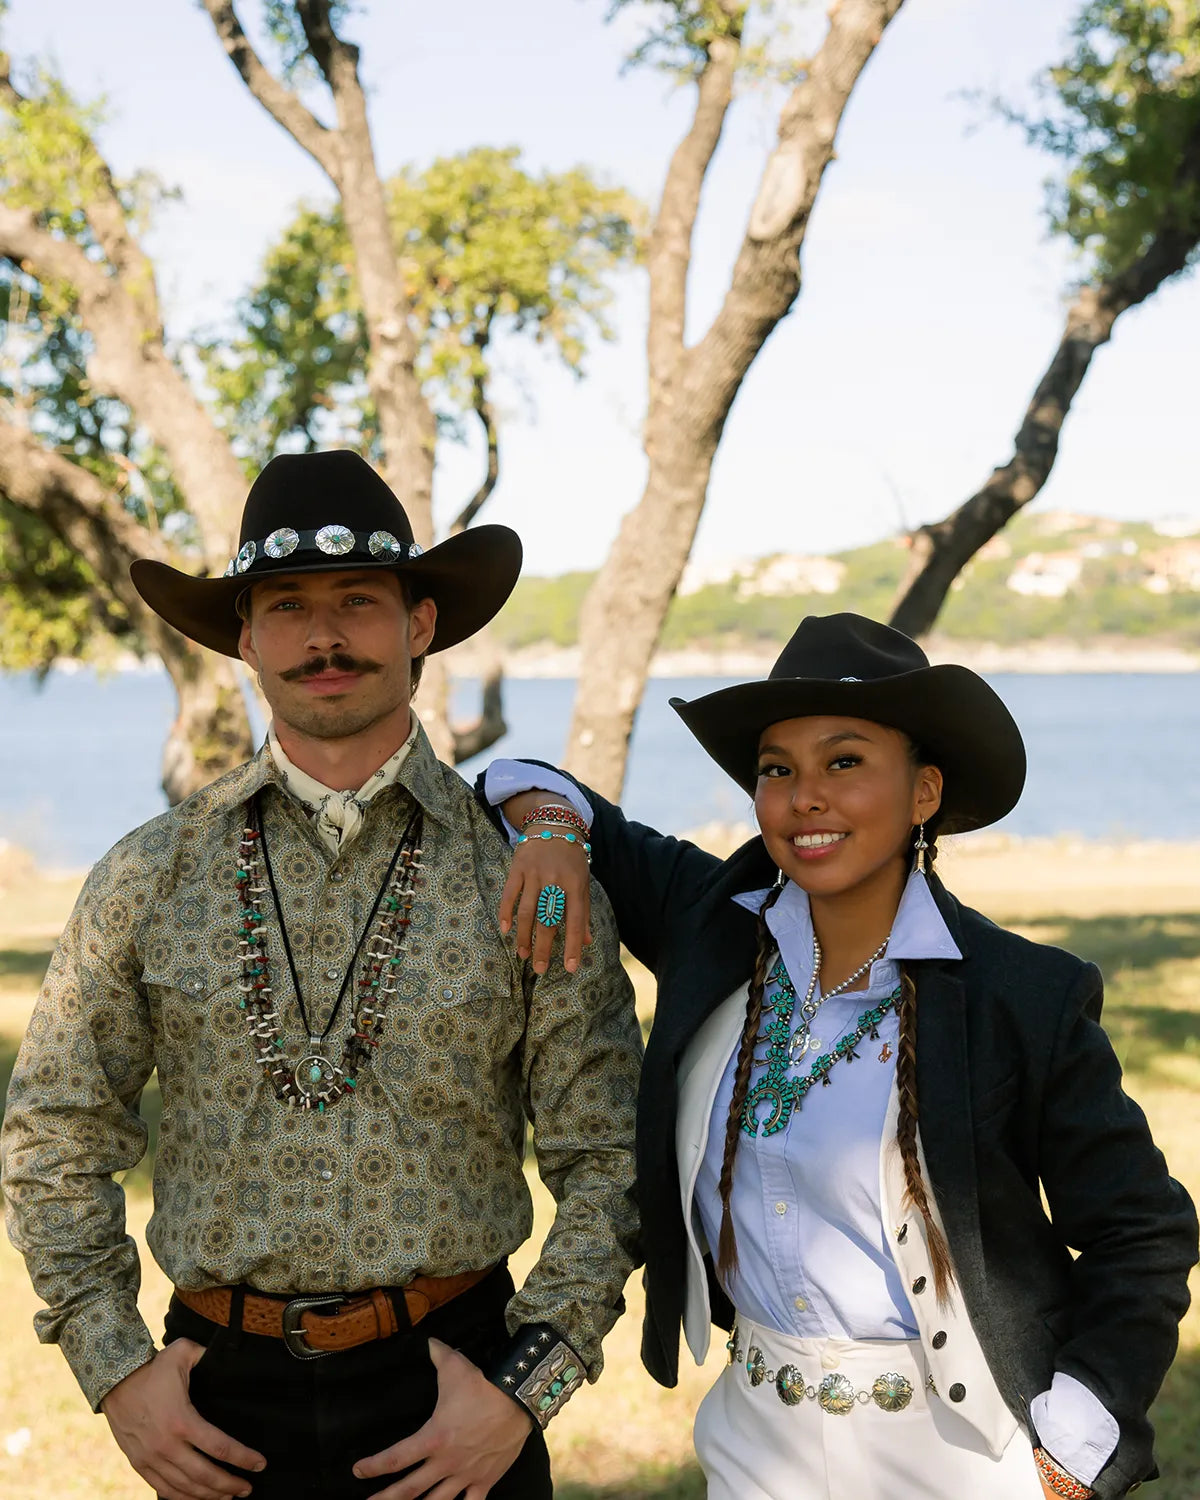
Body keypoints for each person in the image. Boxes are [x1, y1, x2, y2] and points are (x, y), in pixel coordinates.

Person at [1, 450, 642, 1500]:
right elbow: (56, 1134)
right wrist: (116, 1372)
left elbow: (612, 1155)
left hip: (458, 1393)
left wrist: (527, 1384)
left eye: (357, 600)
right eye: (287, 606)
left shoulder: (527, 874)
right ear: (245, 638)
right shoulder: (148, 875)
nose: (324, 636)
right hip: (217, 1407)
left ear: (420, 625)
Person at [483, 612, 1197, 1500]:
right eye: (777, 770)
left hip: (965, 1456)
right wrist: (551, 830)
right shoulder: (713, 924)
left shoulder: (1021, 994)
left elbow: (1142, 1232)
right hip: (755, 1447)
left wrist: (1072, 1447)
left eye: (845, 762)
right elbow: (524, 776)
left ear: (925, 791)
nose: (804, 796)